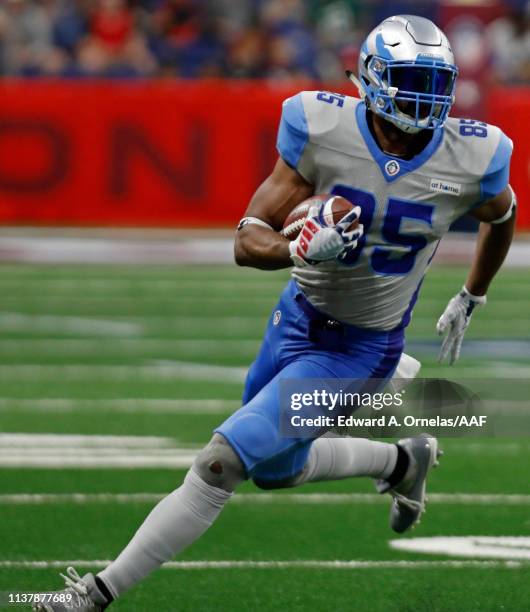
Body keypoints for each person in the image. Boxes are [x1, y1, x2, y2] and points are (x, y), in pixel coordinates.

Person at [33, 15, 515, 611]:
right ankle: (399, 459)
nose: (428, 95)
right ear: (373, 77)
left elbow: (502, 214)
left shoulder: (474, 153)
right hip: (296, 319)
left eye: (437, 81)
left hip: (361, 350)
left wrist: (474, 292)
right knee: (277, 469)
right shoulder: (323, 127)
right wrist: (295, 248)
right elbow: (246, 239)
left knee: (221, 462)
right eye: (413, 78)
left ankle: (95, 594)